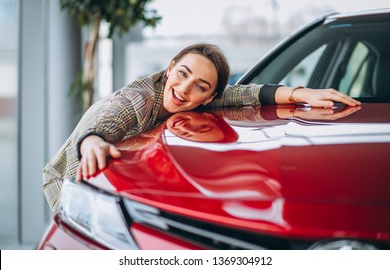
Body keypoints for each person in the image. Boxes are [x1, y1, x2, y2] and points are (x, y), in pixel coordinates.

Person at [42, 43, 360, 213]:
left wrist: (300, 93)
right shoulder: (137, 99)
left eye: (200, 86)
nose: (184, 88)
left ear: (210, 97)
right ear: (170, 68)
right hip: (68, 177)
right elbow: (106, 123)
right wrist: (93, 142)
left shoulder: (202, 100)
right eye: (182, 73)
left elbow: (244, 94)